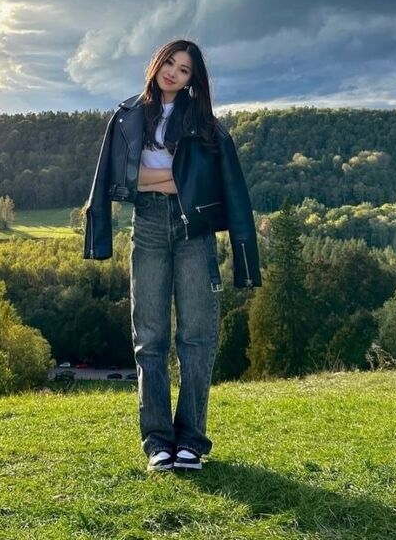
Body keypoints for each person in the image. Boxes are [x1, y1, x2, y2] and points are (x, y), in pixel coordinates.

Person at [83, 38, 262, 473]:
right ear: (157, 63)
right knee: (150, 339)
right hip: (146, 227)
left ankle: (191, 442)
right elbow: (118, 179)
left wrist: (153, 177)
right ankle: (158, 441)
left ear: (191, 80)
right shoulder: (126, 117)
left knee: (197, 338)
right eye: (170, 63)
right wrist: (168, 178)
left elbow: (222, 190)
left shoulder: (206, 126)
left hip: (193, 232)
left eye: (184, 70)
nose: (174, 73)